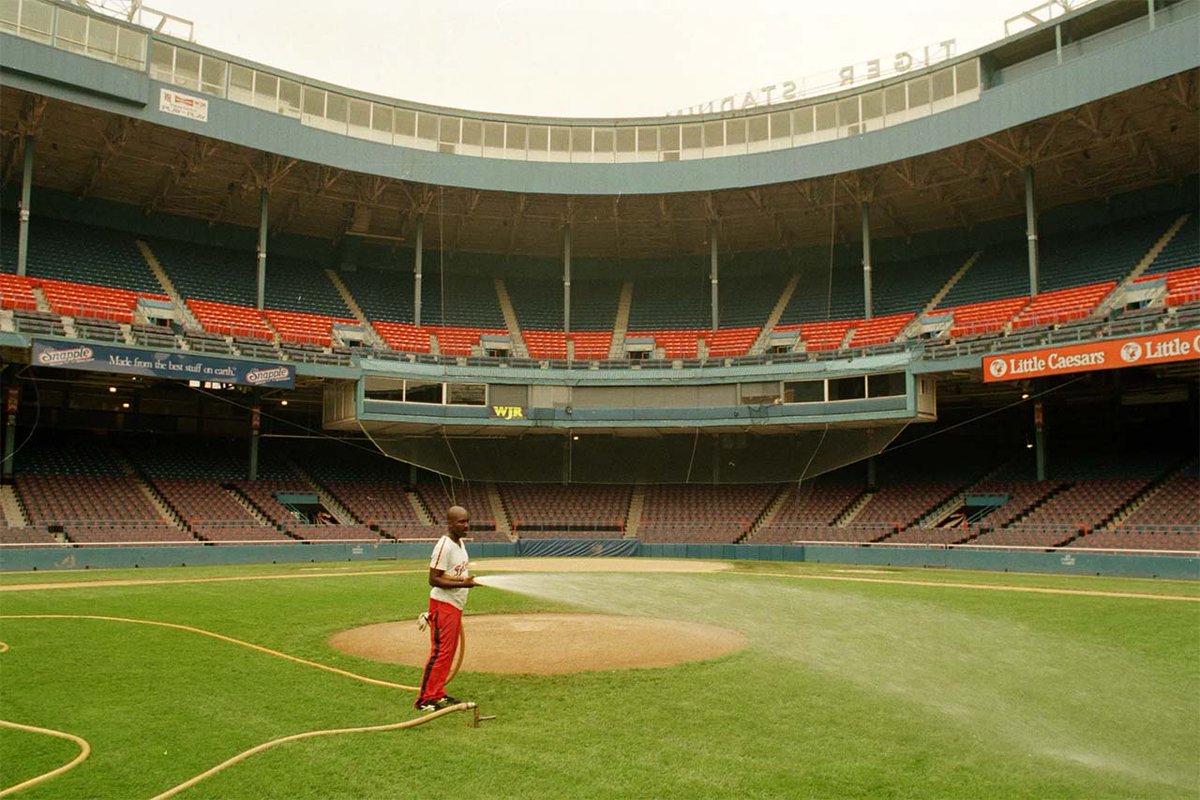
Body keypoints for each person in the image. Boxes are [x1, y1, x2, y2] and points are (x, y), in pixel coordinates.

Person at [415, 505, 479, 711]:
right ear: (450, 523)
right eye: (461, 521)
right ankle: (425, 699)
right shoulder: (445, 545)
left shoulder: (459, 544)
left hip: (455, 606)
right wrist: (464, 584)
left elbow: (449, 573)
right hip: (443, 604)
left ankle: (437, 693)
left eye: (467, 521)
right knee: (440, 652)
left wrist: (463, 579)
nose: (465, 525)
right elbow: (433, 579)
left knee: (448, 652)